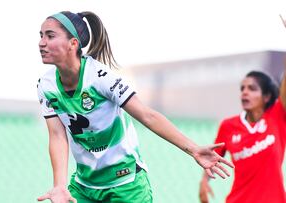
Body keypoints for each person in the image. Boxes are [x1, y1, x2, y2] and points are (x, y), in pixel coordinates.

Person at [36, 11, 234, 203]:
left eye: (50, 36)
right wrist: (59, 186)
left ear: (73, 43)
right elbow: (57, 136)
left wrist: (194, 150)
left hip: (126, 184)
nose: (41, 43)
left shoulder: (100, 77)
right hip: (85, 187)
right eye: (41, 36)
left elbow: (148, 116)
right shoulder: (46, 85)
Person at [199, 70, 286, 203]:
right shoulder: (228, 125)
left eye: (252, 88)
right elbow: (212, 157)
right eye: (242, 88)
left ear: (267, 96)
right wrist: (204, 181)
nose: (245, 92)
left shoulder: (277, 116)